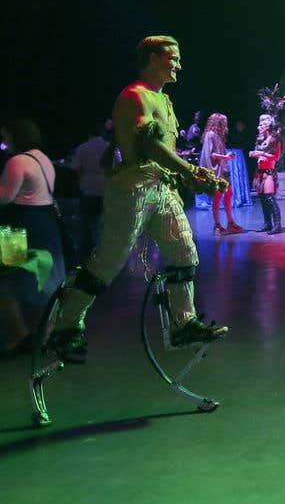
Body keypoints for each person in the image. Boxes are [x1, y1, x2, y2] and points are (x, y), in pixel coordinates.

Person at [43, 37, 228, 359]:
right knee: (108, 261)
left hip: (161, 188)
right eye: (174, 58)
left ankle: (184, 323)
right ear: (154, 58)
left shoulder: (163, 100)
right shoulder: (134, 96)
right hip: (134, 190)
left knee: (184, 252)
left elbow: (161, 151)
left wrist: (186, 174)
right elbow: (149, 146)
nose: (179, 65)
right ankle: (66, 327)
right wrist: (189, 171)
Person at [0, 120, 68, 358]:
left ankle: (18, 335)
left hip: (19, 226)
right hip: (46, 223)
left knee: (8, 281)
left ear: (16, 136)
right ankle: (45, 335)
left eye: (6, 137)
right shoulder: (43, 158)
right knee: (45, 280)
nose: (4, 143)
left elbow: (5, 198)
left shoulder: (17, 161)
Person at [69, 123, 111, 257]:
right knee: (104, 224)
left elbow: (75, 168)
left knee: (86, 223)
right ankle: (105, 251)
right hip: (106, 189)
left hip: (87, 190)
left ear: (89, 133)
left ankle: (87, 253)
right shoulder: (109, 147)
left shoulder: (83, 148)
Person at [201, 113, 242, 235]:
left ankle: (230, 223)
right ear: (218, 123)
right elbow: (211, 154)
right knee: (218, 197)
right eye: (223, 122)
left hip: (223, 170)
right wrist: (226, 157)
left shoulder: (220, 136)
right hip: (217, 171)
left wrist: (226, 158)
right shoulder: (211, 135)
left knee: (229, 193)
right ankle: (217, 226)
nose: (226, 125)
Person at [248, 114, 284, 234]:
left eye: (261, 124)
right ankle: (268, 224)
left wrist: (260, 154)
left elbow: (276, 157)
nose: (259, 127)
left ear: (268, 125)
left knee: (270, 198)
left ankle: (277, 225)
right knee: (263, 199)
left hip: (269, 172)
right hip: (260, 172)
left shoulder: (275, 138)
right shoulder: (261, 138)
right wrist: (254, 153)